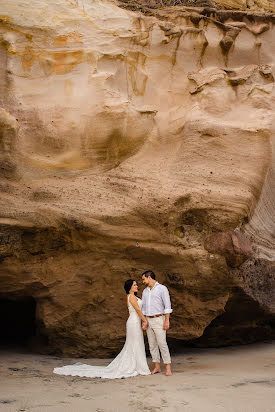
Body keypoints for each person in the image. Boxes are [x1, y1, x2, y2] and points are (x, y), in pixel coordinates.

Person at [53, 279, 151, 379]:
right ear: (130, 287)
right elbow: (137, 310)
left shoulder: (135, 297)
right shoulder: (131, 296)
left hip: (135, 321)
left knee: (137, 342)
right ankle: (136, 366)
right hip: (133, 322)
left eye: (136, 285)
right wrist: (145, 320)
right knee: (134, 342)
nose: (137, 286)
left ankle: (138, 365)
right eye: (134, 285)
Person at [141, 270, 172, 376]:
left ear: (149, 277)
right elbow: (144, 308)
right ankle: (157, 367)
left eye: (143, 279)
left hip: (159, 319)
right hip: (148, 320)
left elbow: (167, 306)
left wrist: (166, 320)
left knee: (162, 344)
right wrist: (144, 321)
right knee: (152, 345)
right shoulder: (145, 291)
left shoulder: (162, 289)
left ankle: (168, 367)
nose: (143, 281)